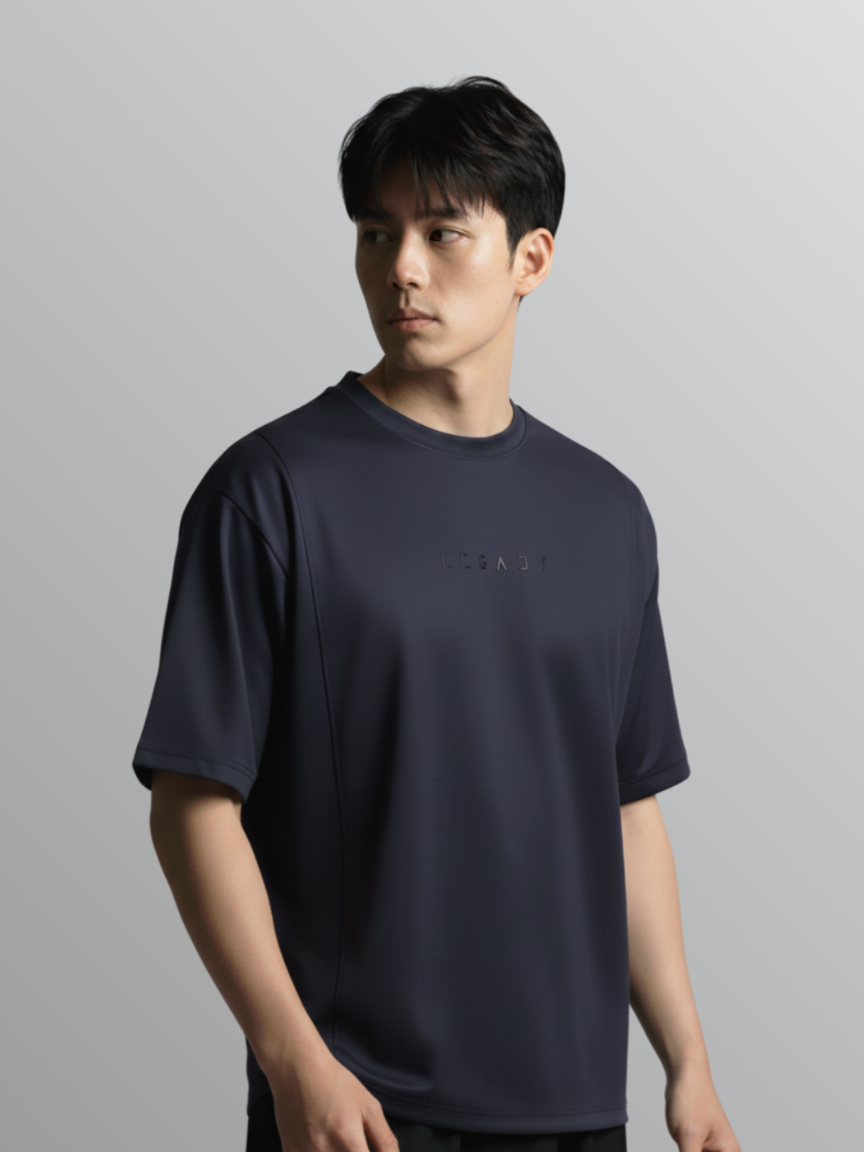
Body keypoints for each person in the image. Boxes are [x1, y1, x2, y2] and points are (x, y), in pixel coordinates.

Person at [132, 76, 741, 1152]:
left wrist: (688, 1065)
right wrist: (293, 1061)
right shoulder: (269, 491)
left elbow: (627, 811)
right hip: (361, 1112)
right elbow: (192, 802)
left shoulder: (607, 511)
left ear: (531, 260)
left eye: (442, 233)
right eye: (377, 233)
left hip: (579, 1110)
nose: (400, 268)